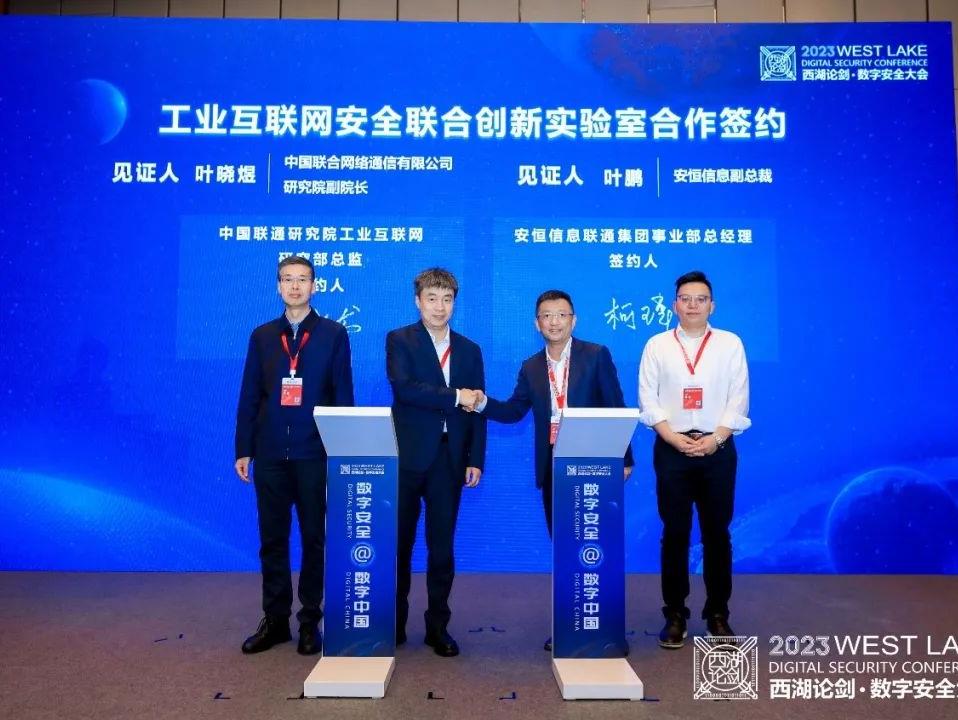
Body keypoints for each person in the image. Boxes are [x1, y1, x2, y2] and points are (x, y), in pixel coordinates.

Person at [474, 289, 633, 652]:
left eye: (562, 315)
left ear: (573, 320)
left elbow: (615, 406)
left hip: (594, 465)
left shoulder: (596, 355)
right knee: (564, 549)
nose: (554, 322)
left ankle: (608, 630)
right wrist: (482, 404)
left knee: (599, 548)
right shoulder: (531, 367)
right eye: (547, 315)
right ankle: (569, 626)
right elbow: (514, 411)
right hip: (554, 469)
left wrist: (624, 458)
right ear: (537, 323)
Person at [234, 256, 354, 656]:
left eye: (303, 279)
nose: (295, 286)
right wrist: (244, 448)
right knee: (272, 540)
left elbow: (343, 396)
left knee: (314, 539)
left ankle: (309, 622)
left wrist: (342, 450)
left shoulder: (333, 334)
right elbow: (250, 396)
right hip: (269, 452)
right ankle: (275, 621)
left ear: (315, 286)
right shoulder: (263, 336)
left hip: (314, 453)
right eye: (288, 279)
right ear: (278, 287)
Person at [637, 270, 750, 648]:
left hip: (718, 450)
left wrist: (716, 439)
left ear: (711, 306)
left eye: (700, 299)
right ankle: (675, 614)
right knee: (675, 534)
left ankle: (718, 614)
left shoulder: (730, 344)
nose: (692, 305)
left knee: (717, 534)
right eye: (685, 299)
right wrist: (673, 438)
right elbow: (648, 399)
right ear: (674, 305)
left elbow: (739, 399)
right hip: (672, 450)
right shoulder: (657, 345)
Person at [387, 268, 486, 657]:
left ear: (454, 303)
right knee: (399, 544)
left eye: (447, 299)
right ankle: (393, 623)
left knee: (441, 548)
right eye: (432, 298)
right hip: (407, 456)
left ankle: (437, 627)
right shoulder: (400, 340)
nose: (439, 307)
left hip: (449, 458)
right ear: (418, 301)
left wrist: (475, 457)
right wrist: (456, 396)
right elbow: (406, 389)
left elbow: (478, 407)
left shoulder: (469, 349)